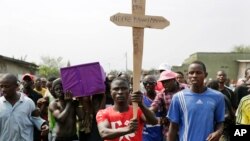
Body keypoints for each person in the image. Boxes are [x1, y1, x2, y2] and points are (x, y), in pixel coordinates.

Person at [167, 61, 225, 141]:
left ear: (205, 75)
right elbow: (173, 127)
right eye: (191, 73)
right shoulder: (178, 97)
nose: (194, 76)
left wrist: (218, 132)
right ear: (187, 75)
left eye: (198, 73)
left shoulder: (218, 97)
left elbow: (220, 122)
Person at [0, 73, 49, 141]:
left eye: (6, 86)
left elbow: (36, 119)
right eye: (1, 86)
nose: (3, 89)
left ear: (16, 86)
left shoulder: (28, 102)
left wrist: (43, 126)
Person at [150, 70, 186, 139]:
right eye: (163, 82)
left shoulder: (186, 89)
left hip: (186, 130)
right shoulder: (162, 94)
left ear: (174, 80)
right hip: (170, 132)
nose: (164, 84)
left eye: (167, 81)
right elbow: (154, 106)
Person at [142, 75, 164, 141]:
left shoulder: (162, 96)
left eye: (151, 83)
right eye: (145, 83)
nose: (148, 85)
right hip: (146, 135)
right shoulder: (141, 99)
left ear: (156, 84)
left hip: (161, 134)